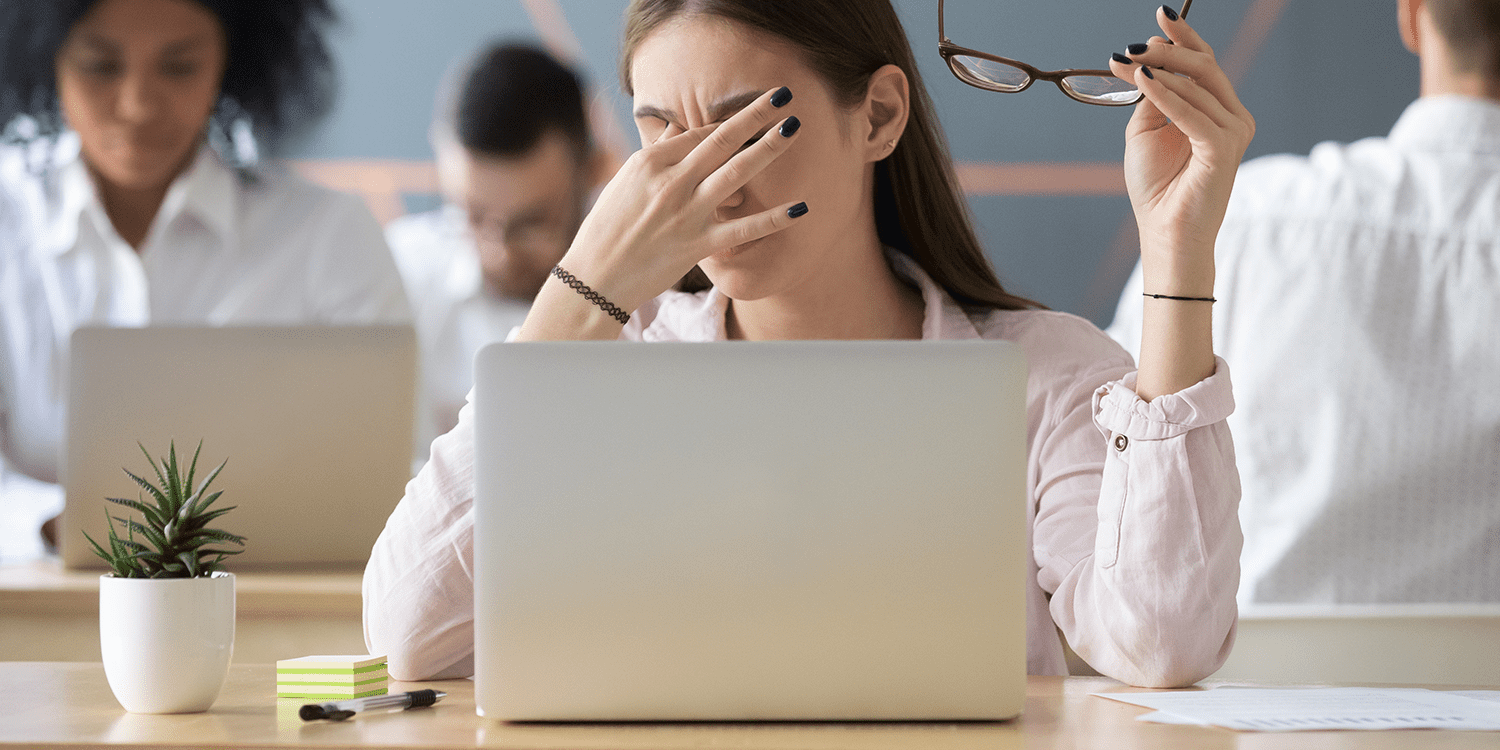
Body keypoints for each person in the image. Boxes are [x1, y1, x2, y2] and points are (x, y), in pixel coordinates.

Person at [365, 0, 1254, 688]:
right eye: (662, 134)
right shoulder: (604, 368)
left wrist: (1179, 245)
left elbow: (1163, 640)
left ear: (876, 116)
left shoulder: (1043, 379)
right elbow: (410, 633)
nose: (708, 184)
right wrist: (581, 288)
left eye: (748, 126)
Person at [1107, 0, 1500, 605]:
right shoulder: (1237, 219)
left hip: (1234, 687)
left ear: (1413, 17)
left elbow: (1111, 481)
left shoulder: (1237, 220)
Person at [0, 0, 411, 562]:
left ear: (231, 61)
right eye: (100, 66)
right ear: (46, 58)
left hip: (275, 618)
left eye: (179, 67)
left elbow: (392, 478)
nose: (138, 105)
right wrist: (52, 522)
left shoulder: (327, 236)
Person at [386, 42, 608, 460]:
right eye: (471, 215)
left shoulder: (664, 291)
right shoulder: (398, 273)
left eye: (532, 222)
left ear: (592, 173)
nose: (498, 252)